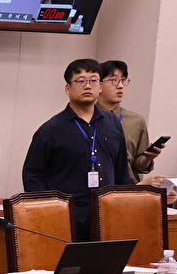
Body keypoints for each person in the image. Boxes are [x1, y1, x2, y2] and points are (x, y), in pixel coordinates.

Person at [23, 58, 130, 239]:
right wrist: (50, 210)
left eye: (94, 80)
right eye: (80, 80)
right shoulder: (51, 129)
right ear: (68, 88)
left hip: (108, 217)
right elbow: (32, 175)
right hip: (67, 219)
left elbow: (121, 172)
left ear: (101, 86)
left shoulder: (112, 123)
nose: (87, 86)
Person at [97, 60, 163, 184]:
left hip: (129, 190)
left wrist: (148, 157)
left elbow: (138, 167)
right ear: (99, 85)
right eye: (114, 80)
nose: (120, 86)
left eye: (124, 80)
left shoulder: (136, 121)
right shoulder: (86, 119)